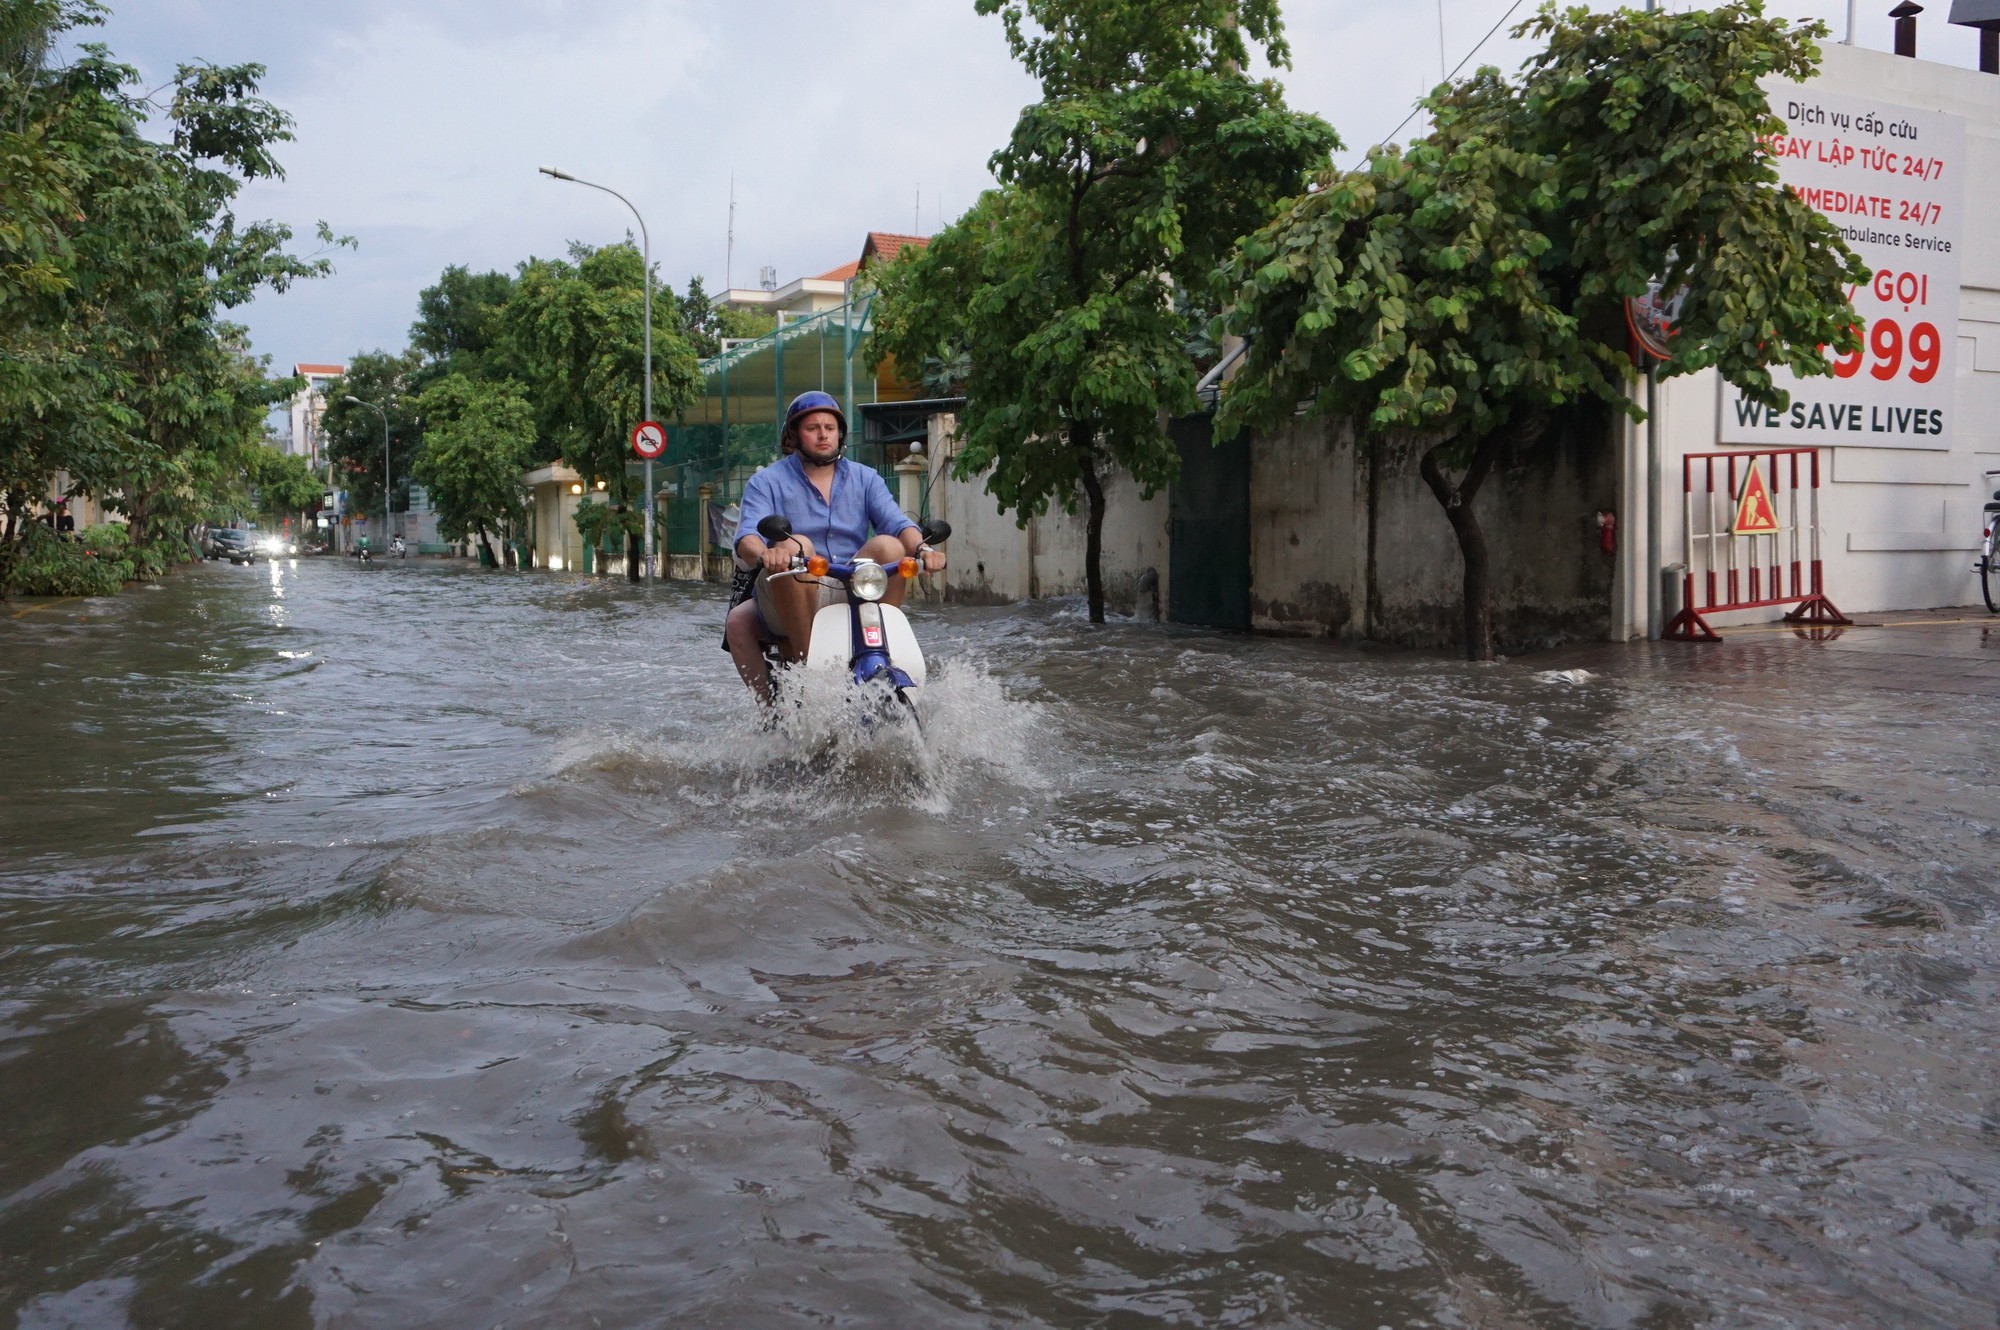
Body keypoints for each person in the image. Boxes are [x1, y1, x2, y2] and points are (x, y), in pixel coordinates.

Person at [725, 391, 944, 702]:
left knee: (890, 547)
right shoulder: (767, 482)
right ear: (794, 436)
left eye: (829, 427)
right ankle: (804, 677)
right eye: (812, 428)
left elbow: (898, 524)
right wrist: (766, 553)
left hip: (853, 584)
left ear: (840, 433)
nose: (823, 434)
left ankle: (879, 651)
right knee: (795, 547)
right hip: (793, 583)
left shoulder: (865, 478)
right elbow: (748, 536)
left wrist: (923, 551)